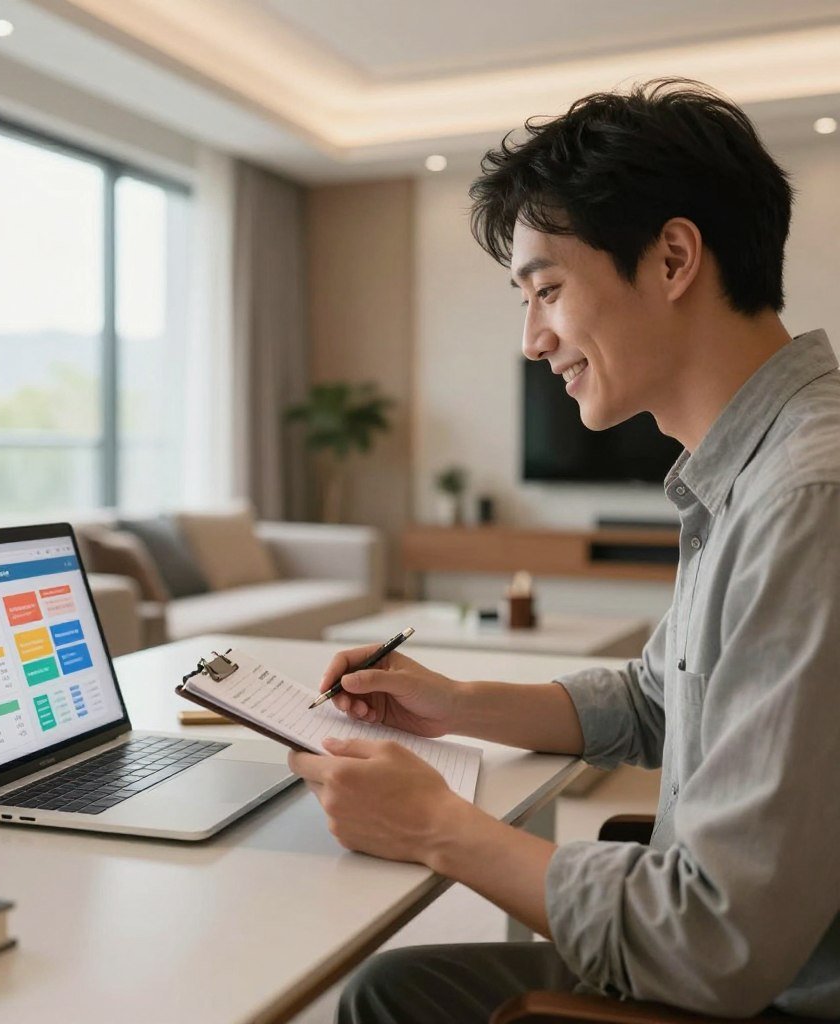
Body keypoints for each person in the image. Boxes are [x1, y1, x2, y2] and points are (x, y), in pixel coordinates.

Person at [287, 78, 840, 1023]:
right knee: (390, 987)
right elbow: (664, 696)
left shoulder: (804, 498)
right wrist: (455, 703)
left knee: (387, 998)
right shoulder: (753, 466)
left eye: (546, 289)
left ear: (673, 258)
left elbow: (717, 946)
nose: (534, 341)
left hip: (770, 994)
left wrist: (433, 827)